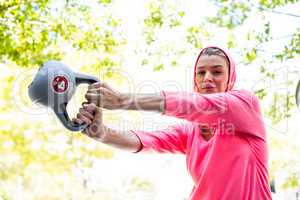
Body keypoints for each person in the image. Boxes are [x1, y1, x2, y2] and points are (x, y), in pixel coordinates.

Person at [73, 46, 273, 200]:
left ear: (230, 77)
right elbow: (148, 140)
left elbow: (196, 105)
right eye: (201, 73)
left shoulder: (245, 104)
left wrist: (121, 100)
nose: (207, 78)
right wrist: (102, 133)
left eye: (217, 72)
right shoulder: (190, 131)